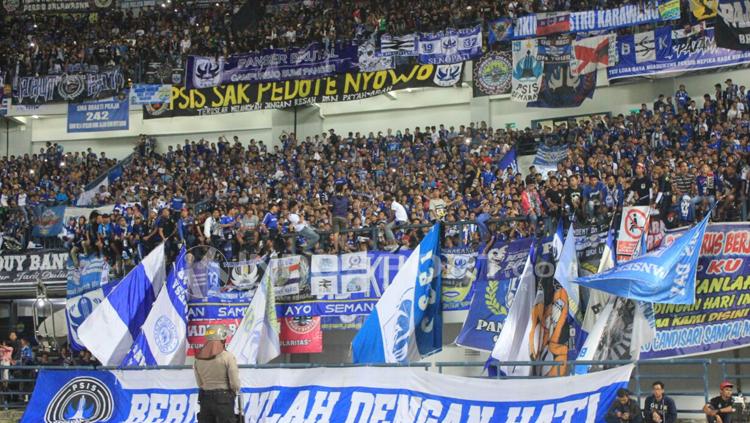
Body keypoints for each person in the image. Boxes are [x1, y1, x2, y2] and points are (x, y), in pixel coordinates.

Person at [194, 324, 241, 423]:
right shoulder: (228, 357)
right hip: (224, 400)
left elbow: (200, 383)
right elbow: (235, 383)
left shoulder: (198, 359)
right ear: (222, 339)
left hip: (205, 400)